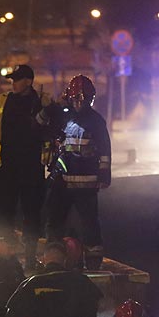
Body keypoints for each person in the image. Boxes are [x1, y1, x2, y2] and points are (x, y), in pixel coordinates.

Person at [0, 64, 55, 271]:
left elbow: (52, 129)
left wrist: (49, 108)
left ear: (28, 81)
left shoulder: (40, 103)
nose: (13, 83)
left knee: (31, 213)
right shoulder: (4, 102)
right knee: (3, 212)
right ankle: (1, 254)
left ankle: (30, 256)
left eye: (17, 79)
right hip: (6, 169)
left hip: (31, 169)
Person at [45, 74, 111, 270]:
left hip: (85, 183)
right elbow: (40, 123)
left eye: (83, 100)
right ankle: (53, 260)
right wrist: (54, 105)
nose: (79, 104)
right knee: (54, 221)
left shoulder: (96, 122)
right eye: (75, 99)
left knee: (90, 224)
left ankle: (92, 262)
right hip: (62, 181)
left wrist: (104, 175)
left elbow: (105, 151)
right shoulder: (62, 116)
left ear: (90, 99)